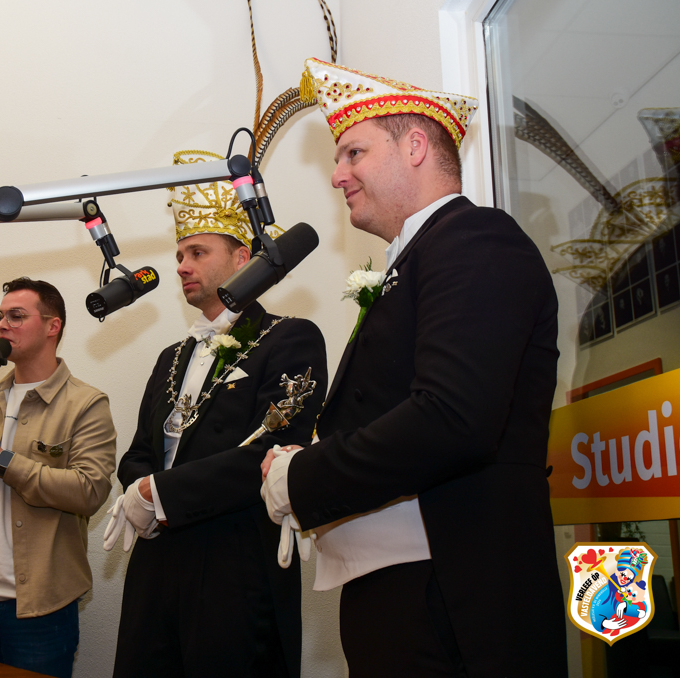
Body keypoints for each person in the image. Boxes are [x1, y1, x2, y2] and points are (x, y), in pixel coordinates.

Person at [262, 59, 569, 676]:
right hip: (407, 594)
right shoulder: (417, 259)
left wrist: (303, 477)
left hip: (455, 599)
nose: (336, 175)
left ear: (416, 146)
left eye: (353, 153)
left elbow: (453, 417)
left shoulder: (474, 236)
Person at [105, 151, 328, 678]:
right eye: (179, 254)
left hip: (235, 566)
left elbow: (266, 455)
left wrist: (156, 494)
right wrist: (139, 490)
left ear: (242, 257)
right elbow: (139, 452)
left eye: (197, 252)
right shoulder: (170, 356)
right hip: (156, 565)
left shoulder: (291, 338)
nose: (181, 265)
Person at [0, 277, 116, 678]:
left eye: (16, 316)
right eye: (0, 316)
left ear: (53, 326)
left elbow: (90, 491)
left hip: (40, 607)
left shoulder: (86, 404)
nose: (2, 325)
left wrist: (5, 461)